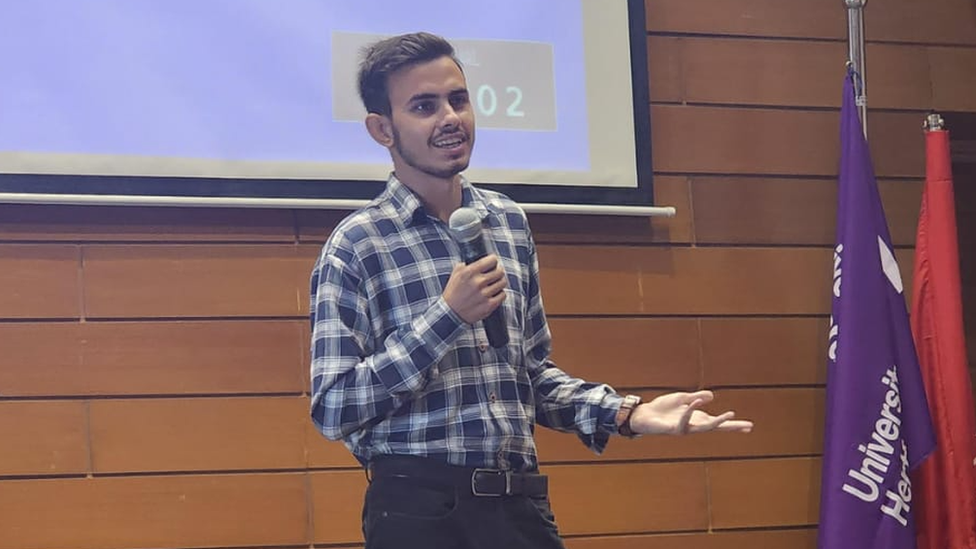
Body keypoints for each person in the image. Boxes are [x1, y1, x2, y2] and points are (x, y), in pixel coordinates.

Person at [309, 31, 753, 549]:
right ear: (382, 128)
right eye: (424, 106)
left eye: (458, 99)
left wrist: (630, 414)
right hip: (418, 511)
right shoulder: (358, 244)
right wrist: (447, 316)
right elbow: (335, 407)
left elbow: (530, 376)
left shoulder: (507, 223)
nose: (450, 118)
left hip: (518, 505)